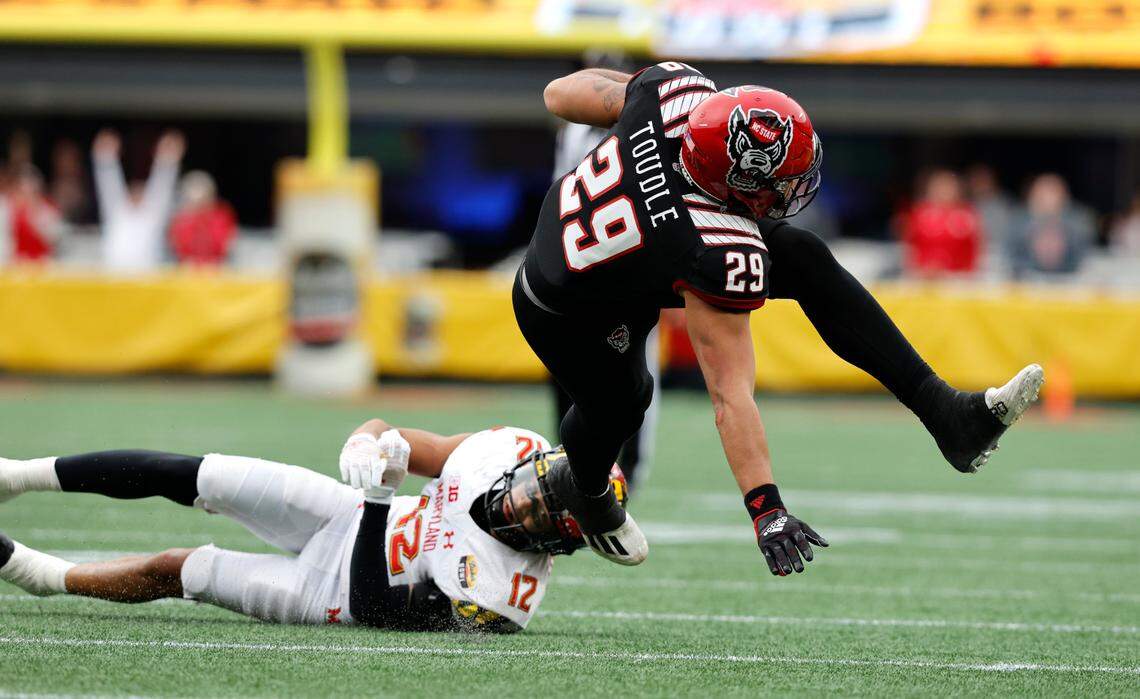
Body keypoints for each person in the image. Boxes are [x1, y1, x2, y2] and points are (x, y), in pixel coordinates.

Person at [516, 61, 1044, 573]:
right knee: (622, 401)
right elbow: (729, 393)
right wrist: (766, 509)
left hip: (602, 233)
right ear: (735, 183)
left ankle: (947, 414)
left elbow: (557, 94)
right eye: (782, 184)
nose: (793, 191)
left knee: (805, 257)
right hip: (567, 304)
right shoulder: (711, 245)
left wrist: (633, 96)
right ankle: (584, 490)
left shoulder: (671, 97)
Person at [0, 421, 626, 632]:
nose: (520, 504)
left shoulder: (498, 597)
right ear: (539, 464)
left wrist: (382, 500)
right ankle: (17, 474)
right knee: (200, 474)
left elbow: (373, 606)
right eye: (533, 489)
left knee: (180, 568)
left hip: (334, 592)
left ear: (551, 546)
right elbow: (411, 439)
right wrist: (368, 441)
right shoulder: (510, 447)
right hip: (347, 513)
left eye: (538, 515)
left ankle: (38, 575)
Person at [92, 129, 183, 273]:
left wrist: (168, 160)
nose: (136, 194)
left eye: (140, 192)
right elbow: (108, 186)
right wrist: (105, 158)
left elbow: (162, 188)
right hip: (113, 278)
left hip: (146, 281)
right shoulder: (118, 213)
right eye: (133, 192)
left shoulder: (152, 215)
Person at [1008, 173, 1095, 278]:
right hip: (1027, 280)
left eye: (1053, 192)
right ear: (1032, 195)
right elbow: (1010, 254)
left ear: (1064, 195)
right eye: (1042, 194)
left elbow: (1086, 254)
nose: (1048, 198)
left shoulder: (1080, 220)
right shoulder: (1018, 220)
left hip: (1070, 280)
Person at [901, 169, 982, 276]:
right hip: (924, 276)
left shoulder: (967, 214)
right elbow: (910, 246)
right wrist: (919, 269)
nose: (944, 191)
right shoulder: (920, 214)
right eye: (939, 187)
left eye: (948, 187)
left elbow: (974, 247)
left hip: (958, 276)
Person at [169, 170, 237, 266]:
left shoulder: (221, 216)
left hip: (218, 268)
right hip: (188, 269)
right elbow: (178, 246)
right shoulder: (181, 219)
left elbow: (225, 243)